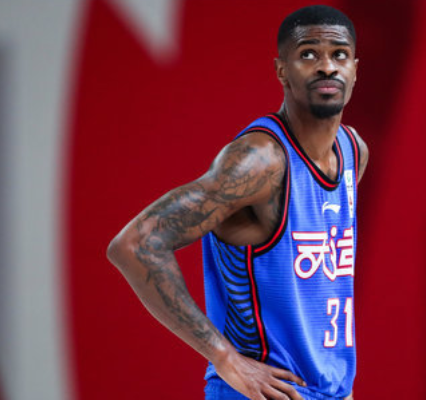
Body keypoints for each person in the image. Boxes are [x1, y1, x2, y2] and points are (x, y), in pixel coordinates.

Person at [107, 5, 368, 400]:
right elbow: (135, 244)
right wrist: (225, 357)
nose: (327, 67)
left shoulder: (352, 151)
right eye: (309, 54)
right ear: (282, 70)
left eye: (339, 54)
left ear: (355, 69)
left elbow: (322, 289)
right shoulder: (259, 161)